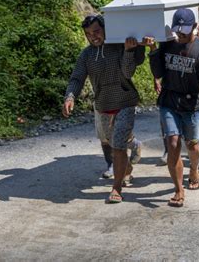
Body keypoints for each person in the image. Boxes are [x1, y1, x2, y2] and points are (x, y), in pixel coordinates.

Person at [62, 14, 145, 203]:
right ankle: (128, 164)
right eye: (89, 34)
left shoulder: (118, 47)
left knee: (118, 145)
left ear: (106, 29)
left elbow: (128, 72)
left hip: (124, 101)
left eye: (97, 31)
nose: (93, 36)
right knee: (108, 141)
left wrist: (129, 51)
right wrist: (70, 96)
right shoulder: (86, 55)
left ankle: (116, 189)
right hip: (102, 104)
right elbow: (77, 78)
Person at [148, 8, 199, 207]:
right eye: (178, 31)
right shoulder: (167, 44)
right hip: (169, 101)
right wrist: (153, 51)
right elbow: (158, 71)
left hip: (191, 104)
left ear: (194, 27)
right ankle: (178, 190)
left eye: (184, 31)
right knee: (173, 142)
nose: (180, 35)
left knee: (193, 145)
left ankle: (193, 169)